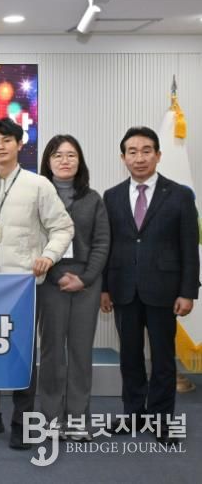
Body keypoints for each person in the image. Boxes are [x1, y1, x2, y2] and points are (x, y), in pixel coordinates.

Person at [0, 117, 73, 450]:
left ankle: (23, 421)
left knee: (21, 355)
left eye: (7, 140)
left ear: (20, 144)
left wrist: (48, 256)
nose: (0, 146)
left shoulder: (38, 185)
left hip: (22, 287)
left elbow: (63, 228)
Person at [100, 126, 199, 444]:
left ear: (158, 155)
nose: (139, 157)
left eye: (146, 151)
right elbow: (107, 246)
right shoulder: (112, 196)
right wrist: (104, 288)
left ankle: (162, 420)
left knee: (163, 359)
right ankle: (133, 415)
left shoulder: (180, 195)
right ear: (123, 157)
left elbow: (189, 247)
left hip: (165, 291)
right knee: (129, 358)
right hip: (123, 289)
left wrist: (188, 291)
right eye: (132, 151)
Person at [37, 135, 109, 441]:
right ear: (48, 161)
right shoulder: (37, 195)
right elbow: (33, 241)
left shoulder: (93, 199)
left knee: (80, 353)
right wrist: (55, 275)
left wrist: (86, 278)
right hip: (49, 280)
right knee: (51, 352)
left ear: (80, 161)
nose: (64, 161)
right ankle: (51, 419)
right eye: (57, 155)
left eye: (71, 155)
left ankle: (77, 420)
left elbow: (102, 243)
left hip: (86, 284)